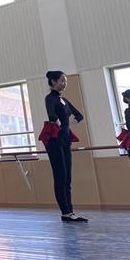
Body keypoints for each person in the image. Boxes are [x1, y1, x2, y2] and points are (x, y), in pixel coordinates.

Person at [44, 70, 88, 222]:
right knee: (60, 176)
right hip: (55, 141)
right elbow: (51, 115)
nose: (65, 83)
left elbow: (79, 116)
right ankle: (65, 212)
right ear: (53, 82)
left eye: (66, 81)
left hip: (65, 140)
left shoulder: (64, 100)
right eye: (62, 80)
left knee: (67, 176)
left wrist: (67, 125)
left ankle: (70, 211)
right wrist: (60, 125)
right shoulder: (50, 98)